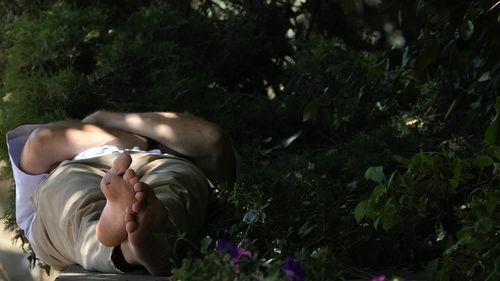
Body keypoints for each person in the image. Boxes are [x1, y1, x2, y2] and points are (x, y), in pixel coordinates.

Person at [6, 111, 237, 275]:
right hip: (80, 167)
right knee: (74, 201)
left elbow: (212, 139)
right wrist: (145, 140)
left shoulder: (115, 128)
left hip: (160, 162)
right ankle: (139, 242)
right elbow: (41, 142)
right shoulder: (62, 157)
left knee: (172, 188)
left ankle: (141, 241)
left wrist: (107, 118)